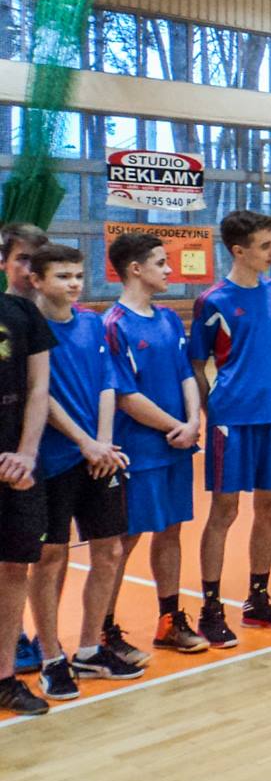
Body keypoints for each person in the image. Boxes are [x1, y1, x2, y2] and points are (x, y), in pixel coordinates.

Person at [29, 244, 139, 699]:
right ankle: (51, 657)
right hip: (55, 460)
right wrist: (84, 442)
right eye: (62, 276)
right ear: (37, 280)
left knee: (109, 551)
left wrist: (104, 442)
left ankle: (90, 649)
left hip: (99, 455)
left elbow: (107, 382)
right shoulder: (32, 330)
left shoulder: (92, 323)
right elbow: (42, 396)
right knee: (51, 558)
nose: (73, 283)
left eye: (77, 275)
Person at [190, 210, 271, 645]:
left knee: (270, 506)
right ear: (239, 251)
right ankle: (210, 608)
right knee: (224, 511)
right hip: (232, 420)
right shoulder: (213, 301)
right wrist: (211, 410)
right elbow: (197, 363)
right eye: (265, 245)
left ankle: (258, 599)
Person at [103, 232, 208, 657]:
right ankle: (103, 629)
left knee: (171, 531)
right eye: (161, 263)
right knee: (123, 541)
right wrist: (176, 425)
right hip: (138, 450)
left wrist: (194, 420)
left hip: (176, 446)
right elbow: (125, 396)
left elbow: (187, 374)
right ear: (135, 269)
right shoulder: (114, 325)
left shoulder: (167, 318)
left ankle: (169, 620)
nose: (169, 270)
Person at [0, 270, 54, 715]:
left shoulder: (21, 313)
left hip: (17, 464)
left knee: (14, 567)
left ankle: (4, 678)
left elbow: (39, 388)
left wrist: (27, 454)